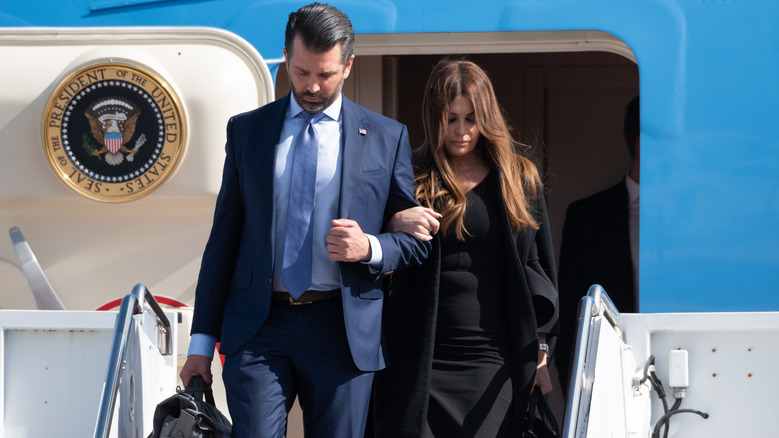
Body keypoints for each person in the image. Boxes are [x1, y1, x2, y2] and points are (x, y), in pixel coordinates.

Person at [179, 3, 430, 437]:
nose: (311, 86)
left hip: (342, 329)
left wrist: (369, 247)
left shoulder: (388, 137)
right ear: (286, 57)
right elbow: (223, 241)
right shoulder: (247, 131)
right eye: (300, 72)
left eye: (325, 74)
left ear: (349, 65)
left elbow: (416, 241)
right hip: (259, 328)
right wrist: (201, 343)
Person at [372, 59, 559, 437]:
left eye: (471, 119)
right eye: (450, 119)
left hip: (493, 360)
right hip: (420, 357)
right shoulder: (409, 174)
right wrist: (393, 223)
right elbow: (377, 248)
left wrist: (540, 352)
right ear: (433, 117)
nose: (461, 131)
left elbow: (538, 271)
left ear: (486, 118)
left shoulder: (518, 179)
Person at [555, 95, 640, 396]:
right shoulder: (586, 216)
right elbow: (570, 313)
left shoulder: (694, 217)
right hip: (607, 379)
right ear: (642, 141)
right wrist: (577, 393)